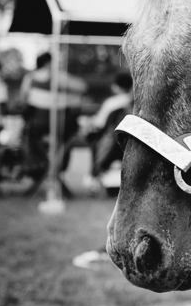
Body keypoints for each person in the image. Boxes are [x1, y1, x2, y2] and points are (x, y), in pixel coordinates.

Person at [18, 52, 87, 198]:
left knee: (29, 133)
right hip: (61, 127)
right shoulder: (58, 77)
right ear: (49, 62)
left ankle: (45, 169)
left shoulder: (29, 78)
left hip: (36, 127)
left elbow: (23, 100)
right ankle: (55, 169)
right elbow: (83, 87)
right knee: (69, 134)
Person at [81, 71, 133, 194]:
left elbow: (99, 124)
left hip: (110, 145)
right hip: (129, 144)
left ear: (116, 87)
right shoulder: (134, 103)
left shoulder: (112, 103)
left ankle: (94, 177)